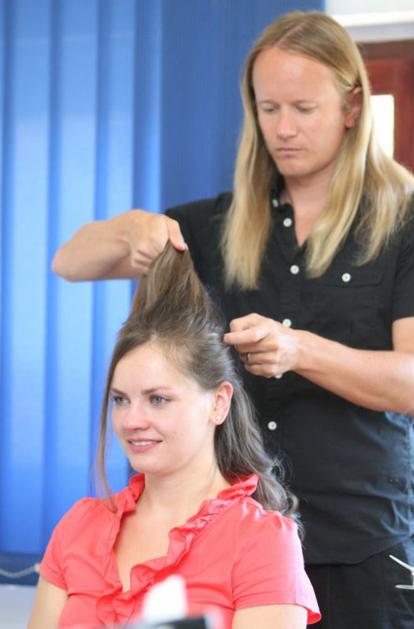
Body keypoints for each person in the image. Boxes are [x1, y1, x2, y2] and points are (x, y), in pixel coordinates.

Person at [51, 10, 414, 629]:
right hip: (230, 547)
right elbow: (70, 260)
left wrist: (300, 351)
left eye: (303, 108)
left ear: (352, 107)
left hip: (359, 546)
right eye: (268, 108)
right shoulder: (214, 226)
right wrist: (132, 229)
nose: (283, 128)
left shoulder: (401, 226)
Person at [28, 244, 320, 629]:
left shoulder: (262, 542)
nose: (132, 420)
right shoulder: (80, 526)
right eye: (120, 399)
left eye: (158, 399)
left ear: (218, 403)